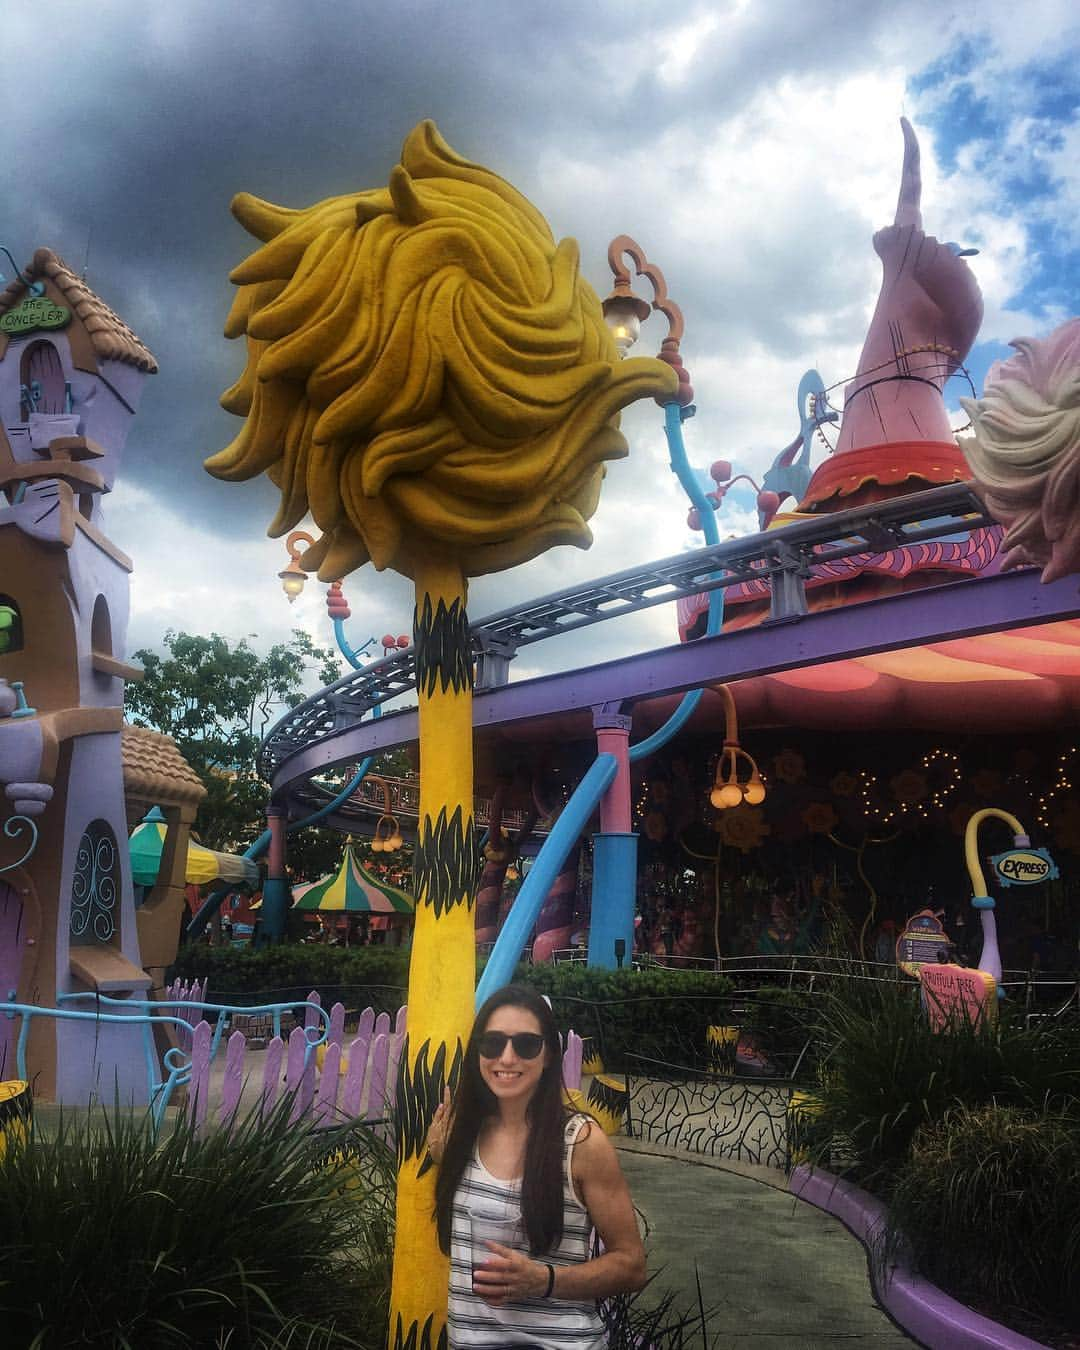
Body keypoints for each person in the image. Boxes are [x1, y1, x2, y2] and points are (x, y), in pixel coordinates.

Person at [428, 984, 645, 1347]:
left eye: (526, 1044)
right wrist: (443, 1158)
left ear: (548, 1055)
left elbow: (632, 1265)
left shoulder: (581, 1144)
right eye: (492, 1042)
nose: (507, 1058)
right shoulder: (461, 1135)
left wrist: (543, 1280)